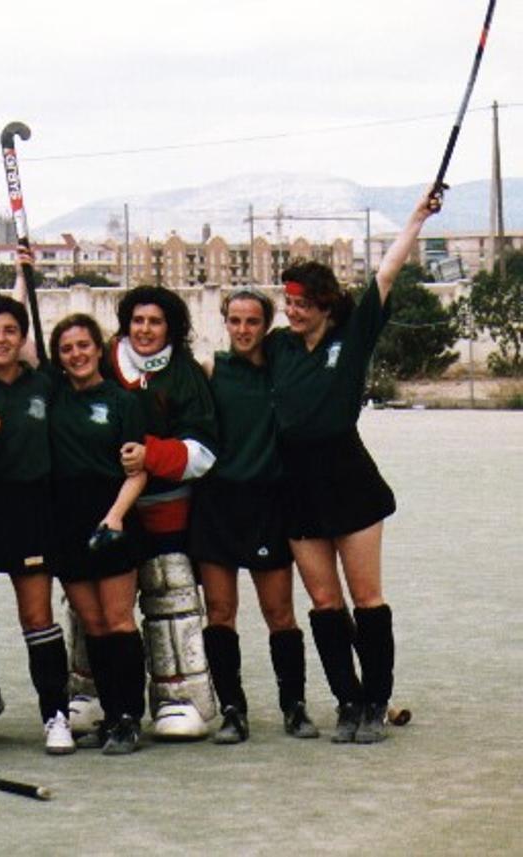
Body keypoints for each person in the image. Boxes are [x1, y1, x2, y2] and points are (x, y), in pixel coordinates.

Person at [265, 190, 437, 744]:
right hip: (296, 484)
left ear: (325, 306)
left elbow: (385, 274)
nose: (292, 311)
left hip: (348, 478)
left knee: (366, 598)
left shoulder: (352, 337)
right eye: (288, 302)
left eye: (301, 304)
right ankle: (347, 699)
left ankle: (376, 701)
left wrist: (416, 218)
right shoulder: (277, 347)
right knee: (323, 602)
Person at [189, 290, 319, 744]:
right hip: (216, 505)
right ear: (225, 322)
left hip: (267, 506)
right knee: (220, 612)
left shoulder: (282, 371)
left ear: (267, 325)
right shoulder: (209, 370)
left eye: (253, 321)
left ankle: (294, 706)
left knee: (279, 613)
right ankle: (232, 710)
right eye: (235, 321)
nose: (243, 330)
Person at [0, 293, 74, 754]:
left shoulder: (46, 383)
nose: (1, 339)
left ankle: (55, 714)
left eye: (10, 331)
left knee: (37, 616)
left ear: (23, 337)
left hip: (31, 510)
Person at [107, 285, 219, 740]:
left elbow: (203, 449)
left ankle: (179, 697)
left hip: (166, 509)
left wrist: (151, 455)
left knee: (170, 598)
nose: (145, 330)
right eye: (138, 321)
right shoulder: (101, 362)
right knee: (92, 606)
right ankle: (92, 691)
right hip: (105, 508)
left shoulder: (186, 375)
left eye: (155, 322)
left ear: (170, 328)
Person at [46, 313, 150, 754]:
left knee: (118, 620)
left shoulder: (123, 401)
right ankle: (110, 714)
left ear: (98, 348)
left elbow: (138, 471)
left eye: (83, 345)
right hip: (66, 522)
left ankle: (129, 717)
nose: (76, 355)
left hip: (112, 519)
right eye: (67, 349)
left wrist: (115, 517)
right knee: (92, 623)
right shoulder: (52, 396)